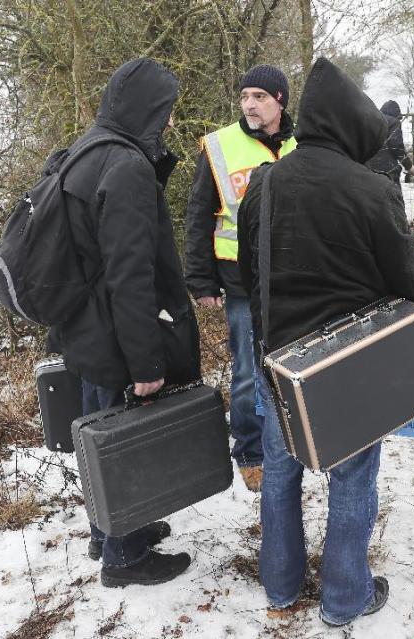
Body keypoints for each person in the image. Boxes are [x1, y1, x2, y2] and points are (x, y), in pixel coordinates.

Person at [236, 58, 414, 627]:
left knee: (280, 473)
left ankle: (279, 585)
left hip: (279, 361)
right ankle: (344, 598)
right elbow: (409, 277)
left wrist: (263, 342)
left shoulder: (265, 181)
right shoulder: (370, 188)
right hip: (345, 365)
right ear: (349, 128)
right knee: (352, 479)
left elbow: (247, 275)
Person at [50, 58, 197, 587]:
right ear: (147, 110)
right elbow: (130, 276)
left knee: (97, 434)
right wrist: (146, 362)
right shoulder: (127, 167)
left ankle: (105, 529)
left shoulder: (83, 152)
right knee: (119, 442)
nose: (172, 123)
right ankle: (125, 557)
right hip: (113, 334)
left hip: (84, 329)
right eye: (167, 112)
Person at [183, 65, 297, 492]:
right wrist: (200, 277)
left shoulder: (303, 144)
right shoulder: (219, 147)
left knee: (290, 365)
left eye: (260, 96)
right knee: (248, 369)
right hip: (239, 281)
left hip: (291, 280)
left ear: (280, 100)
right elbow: (198, 214)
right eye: (245, 95)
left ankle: (291, 438)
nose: (249, 104)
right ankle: (250, 452)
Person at [366, 100, 414, 187]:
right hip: (388, 169)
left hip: (369, 168)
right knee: (392, 198)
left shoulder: (371, 121)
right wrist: (409, 166)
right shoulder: (393, 122)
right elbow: (396, 146)